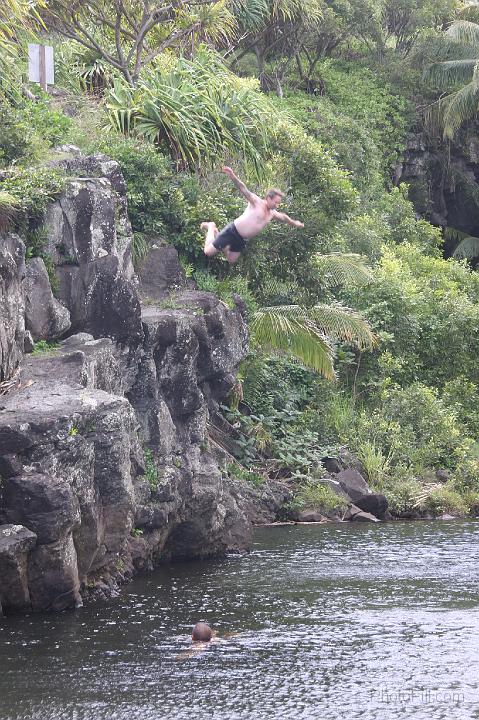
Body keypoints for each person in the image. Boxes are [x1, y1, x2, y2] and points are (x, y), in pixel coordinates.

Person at [201, 166, 304, 264]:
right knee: (208, 252)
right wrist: (232, 176)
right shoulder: (256, 202)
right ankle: (211, 226)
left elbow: (284, 218)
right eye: (275, 202)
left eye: (278, 203)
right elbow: (243, 188)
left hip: (242, 240)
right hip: (233, 231)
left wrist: (295, 223)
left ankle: (218, 236)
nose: (277, 205)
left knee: (231, 260)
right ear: (268, 198)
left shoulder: (272, 213)